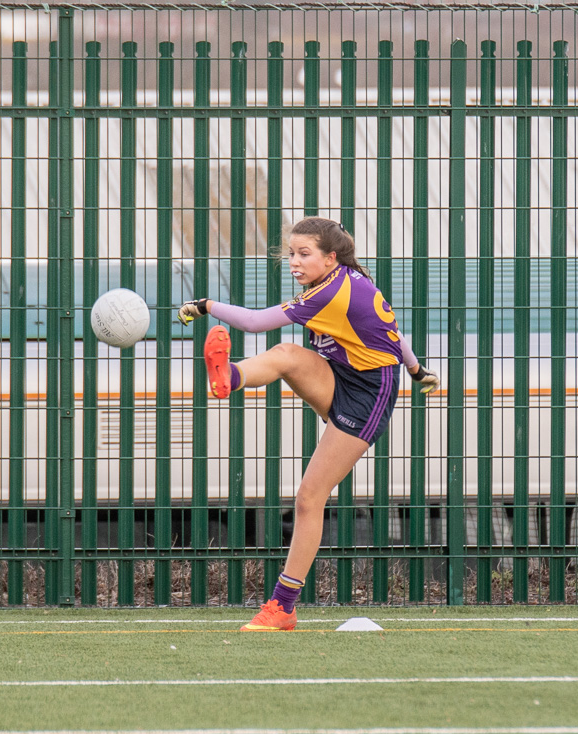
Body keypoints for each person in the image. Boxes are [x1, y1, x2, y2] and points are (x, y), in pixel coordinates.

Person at [178, 217, 439, 632]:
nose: (294, 262)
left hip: (369, 393)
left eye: (304, 254)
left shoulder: (331, 293)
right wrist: (418, 369)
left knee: (308, 497)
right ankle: (229, 377)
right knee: (286, 353)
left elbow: (253, 322)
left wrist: (206, 305)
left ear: (330, 257)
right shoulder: (344, 279)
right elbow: (394, 331)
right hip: (343, 375)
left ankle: (282, 607)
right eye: (291, 253)